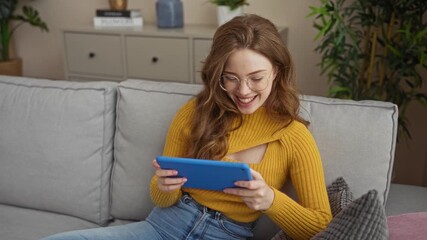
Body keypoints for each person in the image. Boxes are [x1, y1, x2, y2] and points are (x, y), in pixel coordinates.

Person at [41, 14, 332, 240]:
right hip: (162, 226)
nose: (243, 91)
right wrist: (166, 186)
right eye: (230, 77)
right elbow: (160, 195)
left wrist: (270, 199)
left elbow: (320, 226)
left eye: (256, 78)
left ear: (277, 72)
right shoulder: (195, 113)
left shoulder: (294, 136)